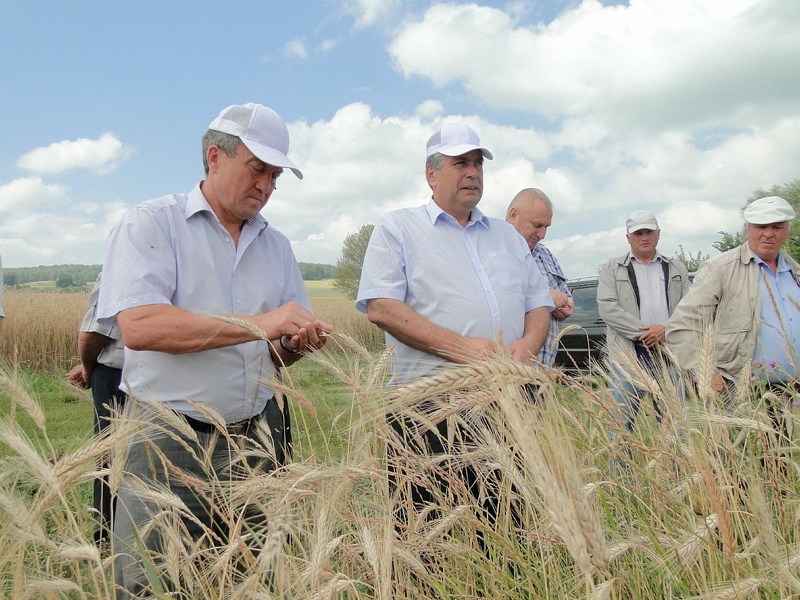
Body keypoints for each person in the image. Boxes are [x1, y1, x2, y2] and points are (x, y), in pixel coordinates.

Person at [97, 102, 332, 597]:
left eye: (275, 177)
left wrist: (295, 344)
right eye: (258, 170)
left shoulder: (278, 246)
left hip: (254, 441)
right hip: (166, 441)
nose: (267, 187)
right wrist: (261, 323)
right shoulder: (151, 224)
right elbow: (140, 326)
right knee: (151, 579)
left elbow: (274, 352)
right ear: (214, 157)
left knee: (249, 578)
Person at [356, 122, 553, 534]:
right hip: (429, 413)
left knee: (510, 529)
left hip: (511, 402)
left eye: (478, 163)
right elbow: (381, 307)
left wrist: (530, 344)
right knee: (429, 537)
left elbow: (539, 304)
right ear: (431, 173)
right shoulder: (398, 229)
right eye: (460, 162)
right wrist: (462, 348)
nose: (473, 172)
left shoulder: (507, 236)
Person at [667, 196, 800, 412]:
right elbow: (682, 326)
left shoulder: (795, 272)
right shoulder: (720, 269)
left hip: (787, 392)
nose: (769, 233)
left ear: (789, 231)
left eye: (777, 226)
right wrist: (705, 370)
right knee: (739, 447)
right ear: (746, 228)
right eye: (761, 226)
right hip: (734, 390)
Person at [597, 211, 690, 435]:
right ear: (628, 237)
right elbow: (607, 307)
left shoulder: (676, 268)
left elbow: (690, 307)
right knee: (621, 426)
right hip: (629, 356)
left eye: (649, 231)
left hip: (669, 355)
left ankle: (678, 470)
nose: (644, 237)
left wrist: (665, 330)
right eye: (638, 233)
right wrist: (644, 333)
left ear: (658, 234)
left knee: (676, 425)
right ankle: (619, 471)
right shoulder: (611, 268)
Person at [66, 272, 125, 548]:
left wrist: (88, 369)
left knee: (110, 462)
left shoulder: (123, 263)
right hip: (164, 378)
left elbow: (92, 335)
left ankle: (107, 542)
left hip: (116, 378)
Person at [506, 188, 574, 366]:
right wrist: (544, 296)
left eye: (546, 227)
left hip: (544, 370)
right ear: (513, 215)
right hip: (508, 372)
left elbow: (566, 299)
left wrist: (565, 304)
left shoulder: (546, 254)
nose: (542, 235)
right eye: (537, 225)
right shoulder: (490, 249)